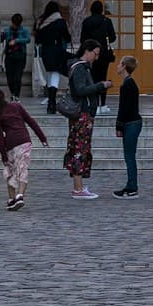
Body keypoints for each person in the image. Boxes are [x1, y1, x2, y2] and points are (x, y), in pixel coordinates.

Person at [0, 85, 49, 211]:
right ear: (3, 96)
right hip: (24, 141)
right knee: (22, 168)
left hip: (10, 144)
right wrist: (42, 138)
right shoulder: (16, 106)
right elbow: (31, 122)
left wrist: (3, 156)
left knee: (10, 171)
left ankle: (11, 198)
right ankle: (20, 195)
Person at [62, 39, 108, 199]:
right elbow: (80, 90)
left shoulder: (81, 67)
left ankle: (79, 185)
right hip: (82, 114)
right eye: (95, 54)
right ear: (87, 51)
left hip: (83, 114)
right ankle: (78, 188)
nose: (96, 58)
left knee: (79, 148)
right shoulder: (80, 68)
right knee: (79, 149)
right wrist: (100, 86)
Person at [112, 55, 143, 198]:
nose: (117, 66)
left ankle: (132, 187)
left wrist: (119, 126)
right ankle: (131, 185)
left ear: (124, 66)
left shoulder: (127, 84)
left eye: (119, 64)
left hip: (131, 123)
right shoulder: (129, 83)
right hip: (133, 122)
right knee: (129, 156)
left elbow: (124, 108)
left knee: (129, 156)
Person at [79, 1, 118, 111]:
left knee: (91, 78)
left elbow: (82, 39)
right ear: (101, 10)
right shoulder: (107, 21)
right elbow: (113, 38)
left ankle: (93, 103)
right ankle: (103, 104)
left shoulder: (87, 21)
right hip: (103, 53)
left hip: (90, 53)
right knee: (102, 77)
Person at [35, 1, 73, 110]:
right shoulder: (60, 21)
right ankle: (52, 101)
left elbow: (38, 39)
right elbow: (67, 37)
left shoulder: (41, 22)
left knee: (50, 73)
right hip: (56, 49)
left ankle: (50, 101)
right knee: (55, 73)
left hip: (45, 51)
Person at [4, 13, 32, 99]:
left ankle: (16, 95)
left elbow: (28, 39)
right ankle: (13, 92)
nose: (14, 26)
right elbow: (4, 38)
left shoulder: (24, 30)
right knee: (9, 77)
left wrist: (17, 40)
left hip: (20, 56)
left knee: (17, 77)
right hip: (9, 55)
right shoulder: (8, 30)